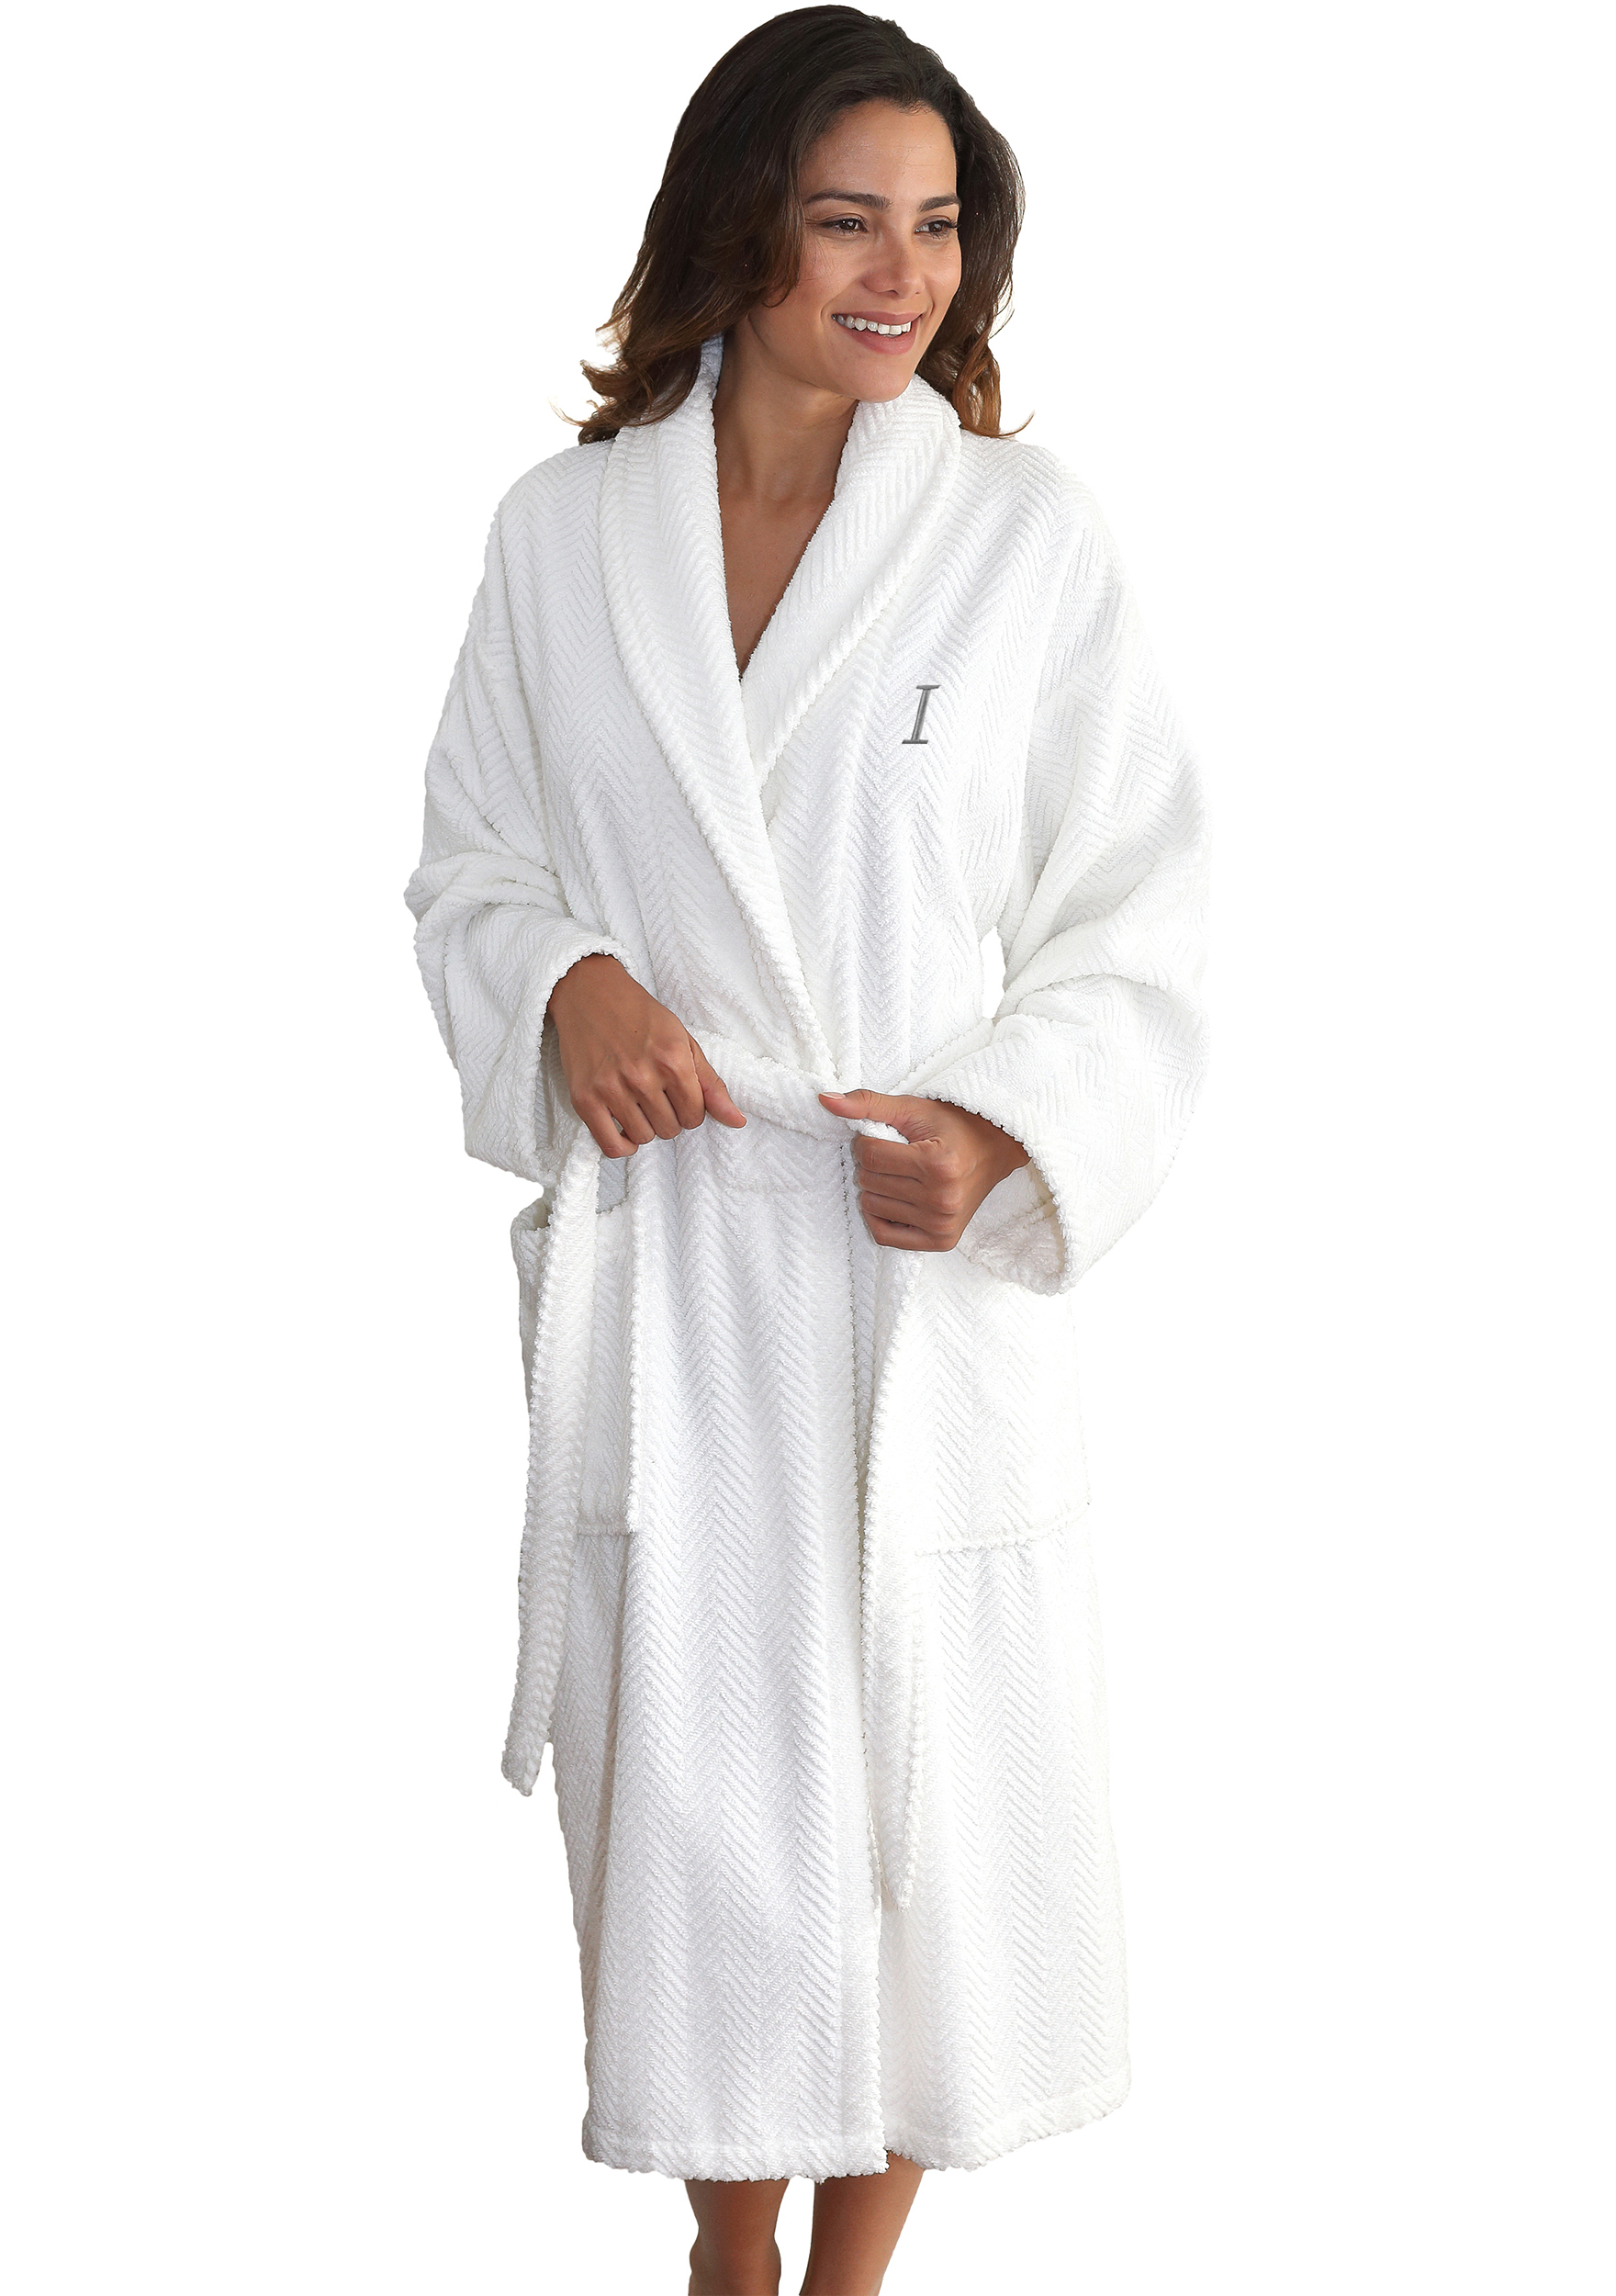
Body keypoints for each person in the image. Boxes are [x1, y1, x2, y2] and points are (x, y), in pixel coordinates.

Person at [405, 9, 1208, 2290]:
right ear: (731, 223)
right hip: (678, 1270)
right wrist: (565, 982)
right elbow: (468, 861)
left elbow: (1135, 918)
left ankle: (835, 2281)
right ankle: (723, 2249)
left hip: (899, 1263)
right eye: (848, 218)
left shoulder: (1022, 540)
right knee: (696, 1798)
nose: (899, 274)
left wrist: (1002, 1131)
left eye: (937, 226)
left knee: (911, 1804)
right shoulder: (563, 536)